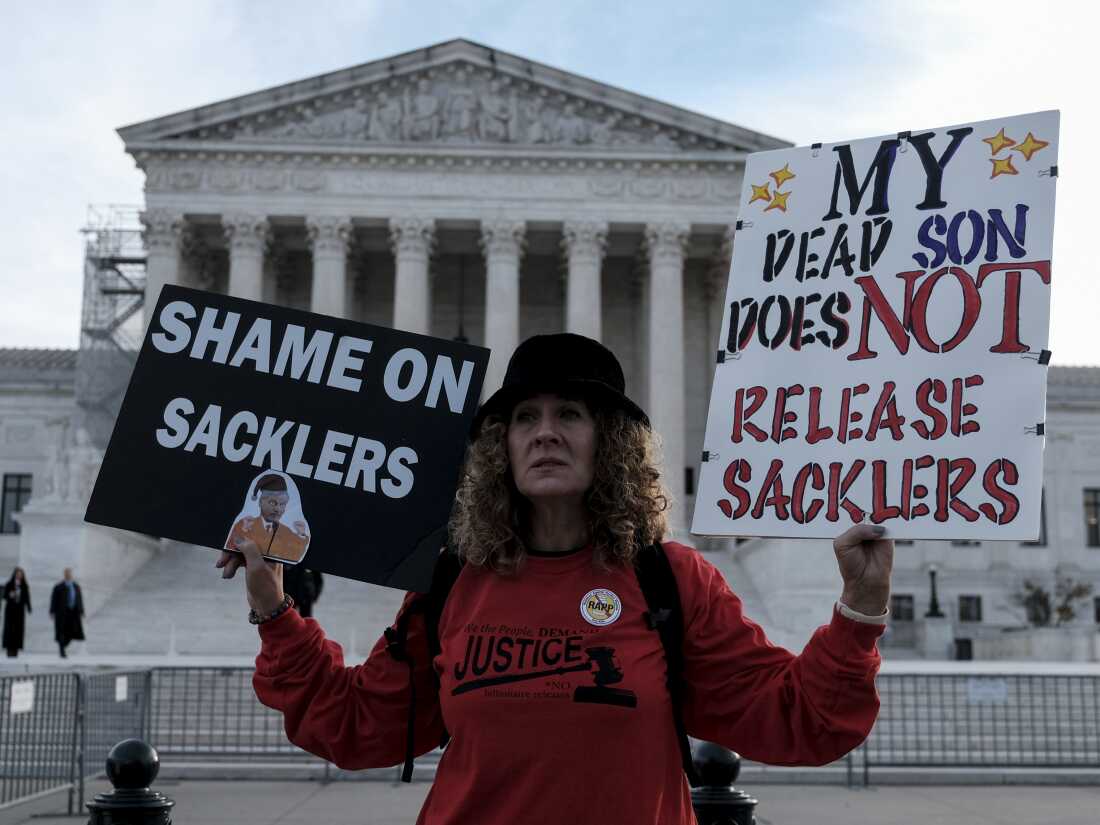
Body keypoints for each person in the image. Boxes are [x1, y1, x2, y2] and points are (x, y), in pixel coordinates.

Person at [218, 333, 893, 825]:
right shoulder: (453, 581)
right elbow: (360, 723)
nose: (545, 433)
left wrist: (860, 608)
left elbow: (797, 720)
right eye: (525, 418)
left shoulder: (671, 580)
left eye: (569, 414)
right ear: (501, 448)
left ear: (610, 444)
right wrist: (273, 608)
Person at [225, 473, 310, 564]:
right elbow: (231, 546)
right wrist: (244, 531)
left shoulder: (286, 531)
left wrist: (301, 534)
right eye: (273, 503)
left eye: (282, 504)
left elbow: (297, 555)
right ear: (260, 502)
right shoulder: (245, 525)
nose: (278, 509)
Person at [49, 568, 84, 658]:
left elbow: (79, 599)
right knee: (62, 631)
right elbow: (53, 600)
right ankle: (62, 650)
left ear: (72, 575)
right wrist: (52, 611)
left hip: (73, 612)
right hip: (61, 612)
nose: (68, 575)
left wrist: (81, 611)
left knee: (72, 632)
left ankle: (62, 645)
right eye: (66, 573)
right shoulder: (58, 587)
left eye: (69, 573)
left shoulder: (76, 586)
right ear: (64, 575)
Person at [2, 567, 31, 657]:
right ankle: (9, 649)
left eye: (21, 574)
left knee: (18, 630)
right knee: (9, 630)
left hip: (19, 611)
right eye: (18, 574)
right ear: (15, 574)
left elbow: (27, 597)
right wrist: (10, 595)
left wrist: (29, 607)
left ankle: (16, 649)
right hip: (10, 611)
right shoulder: (9, 584)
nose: (19, 575)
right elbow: (4, 596)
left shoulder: (24, 585)